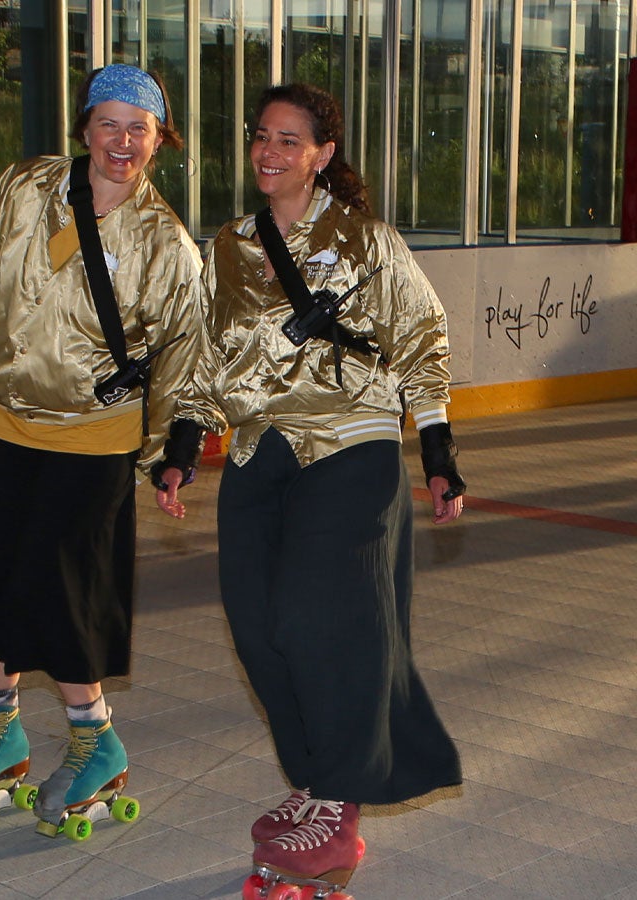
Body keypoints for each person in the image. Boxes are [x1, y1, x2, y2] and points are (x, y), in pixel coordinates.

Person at [153, 83, 465, 893]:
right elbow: (203, 357)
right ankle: (312, 777)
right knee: (260, 626)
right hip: (261, 449)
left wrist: (437, 447)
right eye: (262, 136)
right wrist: (182, 444)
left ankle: (339, 798)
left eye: (289, 140)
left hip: (350, 440)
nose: (269, 151)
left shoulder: (367, 240)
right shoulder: (228, 247)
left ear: (323, 154)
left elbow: (421, 336)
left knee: (320, 618)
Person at [0, 64, 206, 839]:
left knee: (63, 593)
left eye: (139, 127)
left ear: (160, 139)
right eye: (109, 123)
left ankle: (95, 742)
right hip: (3, 422)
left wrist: (168, 455)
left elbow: (186, 357)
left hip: (94, 439)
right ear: (84, 127)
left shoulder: (164, 241)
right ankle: (3, 733)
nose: (122, 141)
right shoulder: (25, 188)